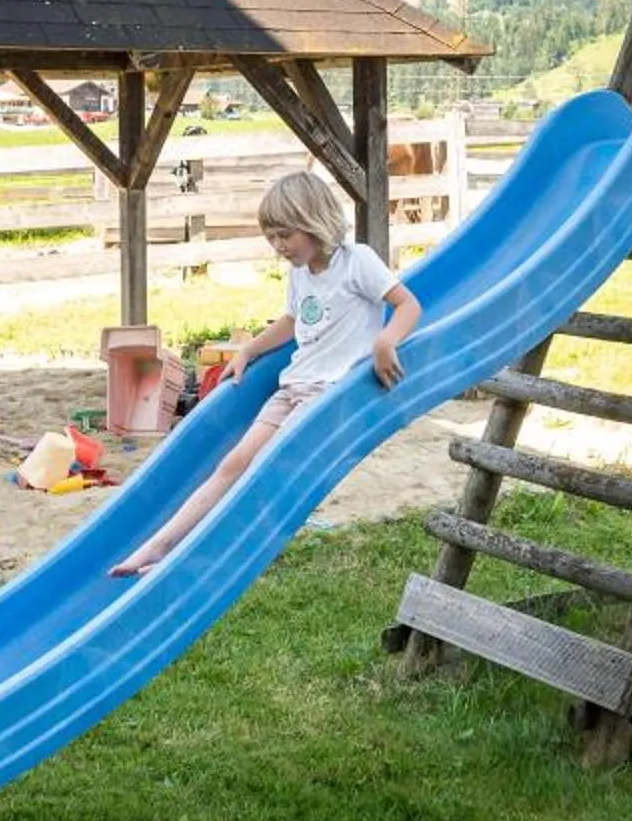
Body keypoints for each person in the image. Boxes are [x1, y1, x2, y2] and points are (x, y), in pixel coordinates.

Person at [109, 172, 421, 579]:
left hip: (325, 395)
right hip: (292, 388)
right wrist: (250, 348)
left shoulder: (356, 261)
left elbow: (408, 305)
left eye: (284, 236)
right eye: (271, 237)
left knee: (261, 471)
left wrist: (385, 342)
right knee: (233, 463)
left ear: (313, 221)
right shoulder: (301, 272)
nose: (278, 247)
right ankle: (157, 546)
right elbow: (292, 321)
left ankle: (181, 561)